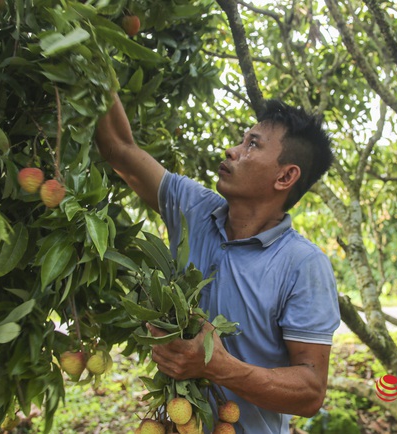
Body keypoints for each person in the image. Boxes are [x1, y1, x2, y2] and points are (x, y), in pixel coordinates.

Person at [96, 93, 340, 434]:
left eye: (252, 145)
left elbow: (310, 392)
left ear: (285, 177)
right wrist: (92, 56)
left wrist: (217, 366)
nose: (233, 151)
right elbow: (120, 149)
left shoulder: (304, 265)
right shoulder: (193, 208)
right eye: (242, 141)